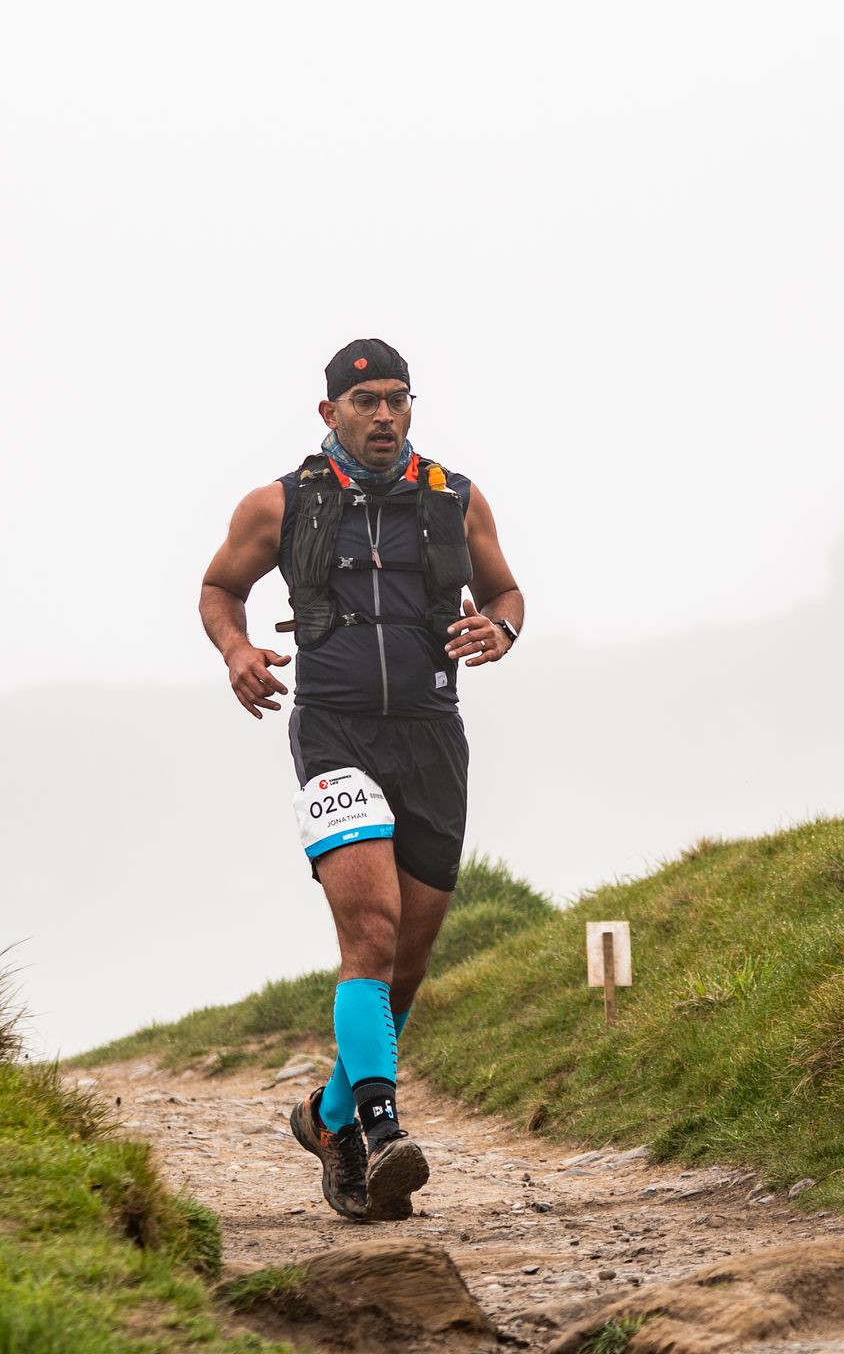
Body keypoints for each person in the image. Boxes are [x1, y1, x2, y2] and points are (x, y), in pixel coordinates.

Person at [197, 337, 524, 1222]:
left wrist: (500, 630)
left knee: (405, 967)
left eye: (397, 399)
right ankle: (380, 1133)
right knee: (370, 937)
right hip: (333, 732)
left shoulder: (456, 498)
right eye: (366, 400)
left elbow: (506, 594)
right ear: (330, 412)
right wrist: (236, 651)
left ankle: (328, 1117)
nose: (384, 415)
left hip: (431, 734)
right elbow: (219, 588)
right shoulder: (280, 504)